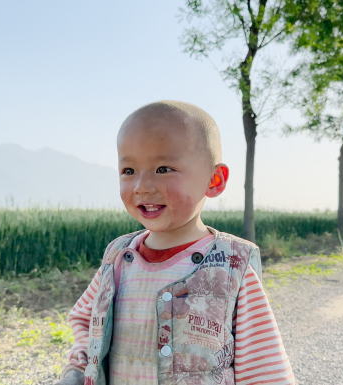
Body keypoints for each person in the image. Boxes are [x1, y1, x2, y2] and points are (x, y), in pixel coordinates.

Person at [56, 101, 295, 385]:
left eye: (163, 168)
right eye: (129, 170)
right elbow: (86, 320)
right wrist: (77, 369)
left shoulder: (233, 264)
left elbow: (264, 365)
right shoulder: (118, 257)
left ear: (214, 179)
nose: (141, 186)